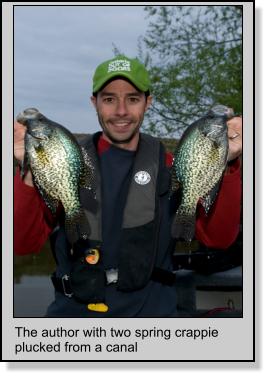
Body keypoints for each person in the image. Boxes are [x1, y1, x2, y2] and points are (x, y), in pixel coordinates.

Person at [14, 55, 242, 317]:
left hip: (153, 323)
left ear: (148, 102)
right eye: (109, 99)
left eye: (132, 99)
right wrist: (29, 168)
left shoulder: (173, 165)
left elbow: (219, 239)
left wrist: (227, 163)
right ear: (94, 103)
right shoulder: (64, 162)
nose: (121, 111)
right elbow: (22, 244)